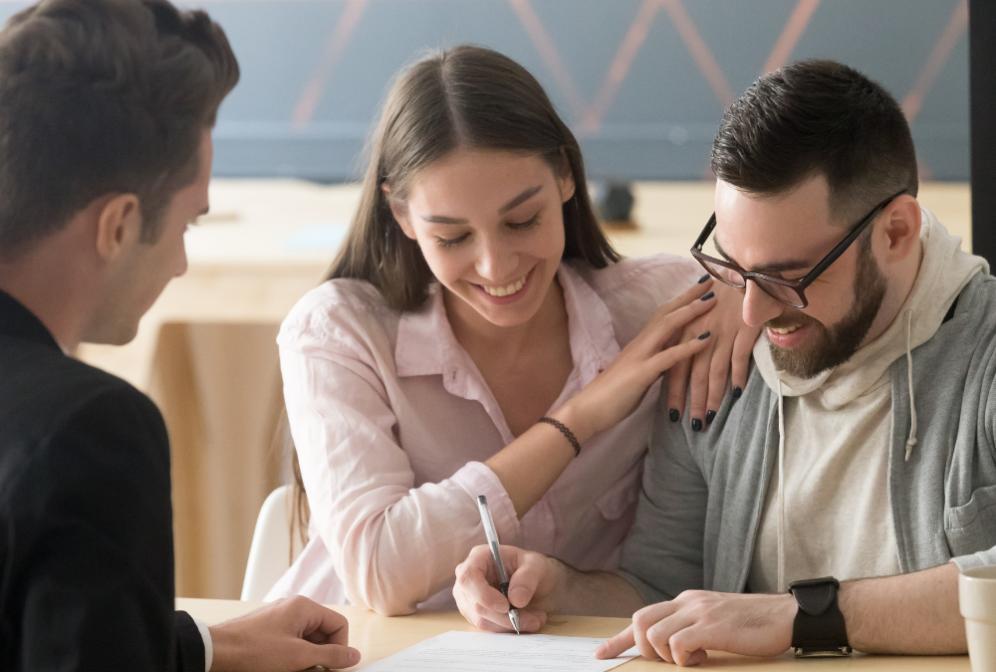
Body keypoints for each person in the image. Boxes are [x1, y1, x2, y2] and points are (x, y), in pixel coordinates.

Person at [453, 59, 996, 664]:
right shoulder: (717, 364)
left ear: (895, 232)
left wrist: (798, 617)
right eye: (735, 267)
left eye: (787, 277)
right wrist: (562, 589)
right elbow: (664, 586)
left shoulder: (985, 357)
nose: (753, 313)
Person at [0, 2, 358, 672]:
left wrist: (200, 642)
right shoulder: (87, 429)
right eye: (190, 223)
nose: (183, 268)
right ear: (120, 225)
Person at [269, 45, 755, 615]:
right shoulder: (338, 332)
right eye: (452, 238)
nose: (496, 267)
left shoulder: (660, 310)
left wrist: (741, 286)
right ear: (401, 216)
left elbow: (777, 280)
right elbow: (379, 573)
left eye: (523, 220)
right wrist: (579, 418)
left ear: (567, 179)